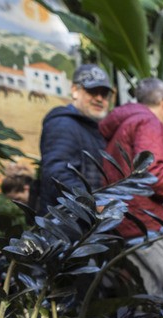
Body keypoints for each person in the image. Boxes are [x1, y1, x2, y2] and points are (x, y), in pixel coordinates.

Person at [99, 77, 163, 298]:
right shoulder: (149, 124)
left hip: (126, 226)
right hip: (150, 225)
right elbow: (152, 175)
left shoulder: (124, 126)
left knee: (150, 309)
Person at [36, 64, 112, 214]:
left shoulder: (91, 127)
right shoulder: (63, 124)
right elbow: (57, 174)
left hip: (84, 224)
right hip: (67, 227)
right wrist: (93, 203)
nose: (99, 98)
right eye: (92, 91)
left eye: (104, 94)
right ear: (75, 91)